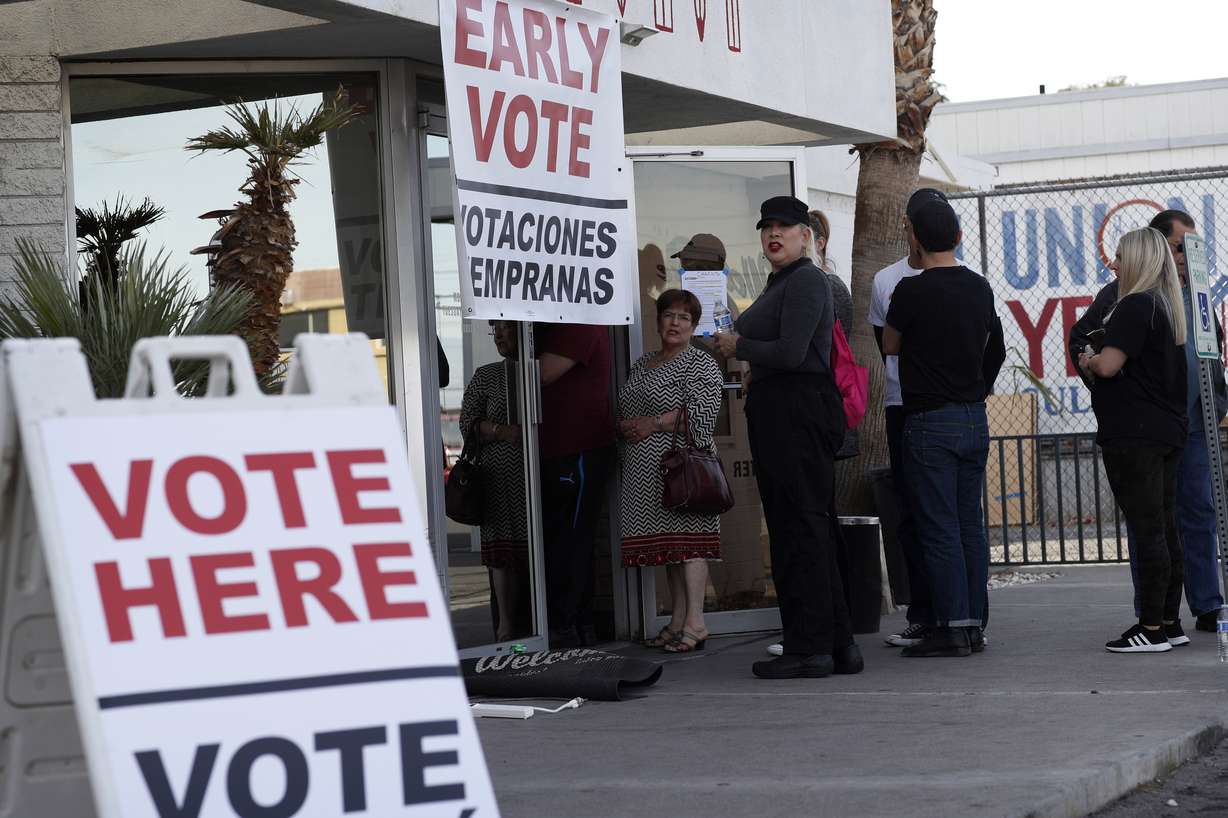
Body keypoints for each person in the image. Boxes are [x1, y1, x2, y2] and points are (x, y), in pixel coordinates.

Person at [715, 195, 861, 679]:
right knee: (807, 527)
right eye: (767, 227)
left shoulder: (806, 281)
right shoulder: (785, 281)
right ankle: (837, 645)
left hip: (797, 414)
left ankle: (811, 647)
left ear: (807, 236)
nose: (773, 234)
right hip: (786, 410)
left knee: (800, 530)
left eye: (785, 226)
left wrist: (742, 347)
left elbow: (795, 351)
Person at [1070, 210, 1226, 636]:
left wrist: (1218, 400)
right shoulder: (1123, 296)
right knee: (1151, 520)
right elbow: (1084, 340)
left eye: (1193, 248)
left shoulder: (1194, 298)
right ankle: (1154, 614)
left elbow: (1213, 355)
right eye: (1179, 246)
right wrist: (1099, 371)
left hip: (1191, 425)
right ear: (1157, 246)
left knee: (1195, 513)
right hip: (1149, 427)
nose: (1186, 256)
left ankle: (1203, 606)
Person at [883, 190, 1005, 658]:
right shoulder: (979, 286)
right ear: (957, 235)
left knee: (938, 526)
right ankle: (974, 622)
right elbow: (995, 345)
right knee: (969, 524)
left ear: (913, 237)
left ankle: (951, 625)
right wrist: (980, 385)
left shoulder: (910, 290)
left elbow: (891, 345)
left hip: (928, 418)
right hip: (973, 415)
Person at [1077, 227, 1189, 653]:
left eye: (1120, 257)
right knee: (1164, 526)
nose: (1113, 264)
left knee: (1147, 530)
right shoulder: (1166, 306)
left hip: (1135, 435)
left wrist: (1089, 358)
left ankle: (1151, 627)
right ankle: (1170, 620)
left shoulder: (1134, 306)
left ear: (1138, 261)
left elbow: (1107, 366)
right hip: (1166, 431)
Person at [618, 289, 724, 653]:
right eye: (669, 315)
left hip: (684, 470)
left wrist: (653, 423)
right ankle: (678, 620)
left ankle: (696, 622)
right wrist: (627, 426)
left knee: (690, 544)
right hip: (644, 473)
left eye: (683, 317)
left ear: (693, 325)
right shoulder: (642, 362)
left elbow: (703, 415)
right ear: (659, 320)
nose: (675, 322)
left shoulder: (701, 363)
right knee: (671, 549)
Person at [866, 192, 930, 647]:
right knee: (909, 511)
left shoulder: (966, 278)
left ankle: (963, 616)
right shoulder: (886, 280)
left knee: (949, 516)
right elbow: (884, 344)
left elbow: (989, 347)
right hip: (901, 405)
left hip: (947, 408)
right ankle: (922, 613)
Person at [536, 322, 616, 648]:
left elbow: (542, 373)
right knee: (563, 538)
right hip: (560, 448)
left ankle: (568, 625)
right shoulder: (566, 325)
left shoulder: (581, 322)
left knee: (571, 539)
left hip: (578, 449)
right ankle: (576, 623)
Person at [458, 321, 526, 642]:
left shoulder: (539, 369)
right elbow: (466, 422)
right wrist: (501, 431)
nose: (498, 335)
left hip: (536, 478)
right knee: (502, 555)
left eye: (505, 329)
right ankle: (506, 627)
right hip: (497, 478)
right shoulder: (486, 375)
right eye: (494, 330)